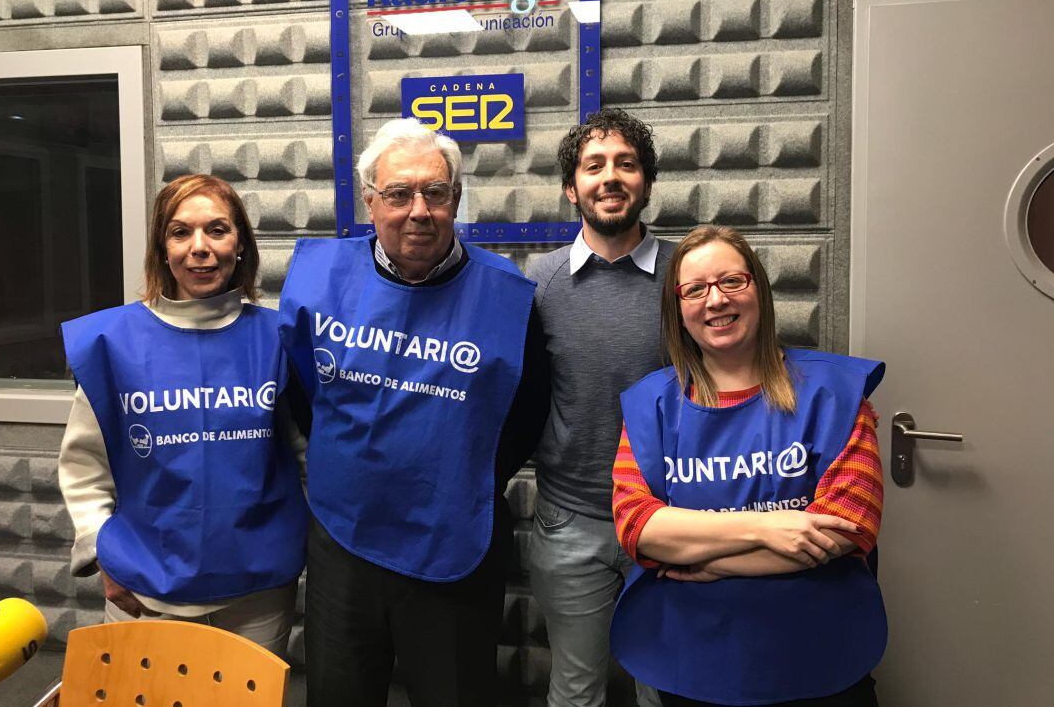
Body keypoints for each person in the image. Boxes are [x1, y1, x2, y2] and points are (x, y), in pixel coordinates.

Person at [278, 117, 549, 707]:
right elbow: (301, 390)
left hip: (454, 540)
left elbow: (526, 414)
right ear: (370, 203)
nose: (418, 209)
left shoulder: (506, 295)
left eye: (436, 192)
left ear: (456, 200)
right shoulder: (322, 281)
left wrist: (461, 478)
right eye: (398, 193)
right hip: (342, 536)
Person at [610, 224, 887, 707]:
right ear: (678, 310)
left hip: (818, 651)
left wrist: (710, 561)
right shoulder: (650, 404)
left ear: (758, 288)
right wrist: (767, 528)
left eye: (731, 281)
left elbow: (850, 525)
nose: (715, 300)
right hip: (695, 656)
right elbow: (637, 524)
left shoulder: (834, 392)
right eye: (694, 289)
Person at [58, 175, 309, 657]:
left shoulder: (279, 340)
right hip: (143, 592)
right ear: (162, 247)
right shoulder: (111, 343)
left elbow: (307, 459)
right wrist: (101, 555)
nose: (200, 248)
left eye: (217, 230)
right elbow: (85, 468)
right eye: (181, 232)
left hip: (257, 595)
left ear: (240, 245)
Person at [527, 108, 668, 707]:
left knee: (665, 688)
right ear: (571, 187)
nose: (610, 177)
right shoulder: (539, 281)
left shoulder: (688, 276)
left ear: (646, 182)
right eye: (594, 166)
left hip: (670, 520)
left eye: (626, 164)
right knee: (576, 690)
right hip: (570, 522)